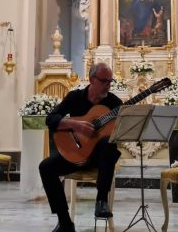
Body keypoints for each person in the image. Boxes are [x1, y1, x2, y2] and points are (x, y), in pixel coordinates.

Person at [39, 63, 123, 232]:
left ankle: (101, 202)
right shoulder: (75, 97)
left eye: (110, 81)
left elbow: (120, 133)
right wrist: (76, 125)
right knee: (46, 167)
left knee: (108, 145)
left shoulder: (114, 103)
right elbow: (51, 119)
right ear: (92, 79)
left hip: (100, 159)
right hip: (75, 153)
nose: (108, 85)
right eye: (104, 81)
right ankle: (65, 223)